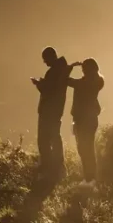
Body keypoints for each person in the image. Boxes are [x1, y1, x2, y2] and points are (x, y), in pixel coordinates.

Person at [31, 47, 72, 179]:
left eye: (45, 59)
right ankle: (58, 167)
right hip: (56, 110)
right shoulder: (62, 70)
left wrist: (38, 84)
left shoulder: (53, 72)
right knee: (55, 138)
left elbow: (48, 90)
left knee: (44, 140)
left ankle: (47, 169)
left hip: (48, 111)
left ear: (51, 57)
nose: (45, 62)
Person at [68, 58, 104, 183]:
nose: (82, 70)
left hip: (83, 120)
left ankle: (90, 178)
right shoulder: (97, 81)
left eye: (84, 68)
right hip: (89, 119)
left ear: (88, 69)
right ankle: (90, 177)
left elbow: (69, 81)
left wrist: (70, 67)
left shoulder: (86, 82)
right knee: (87, 148)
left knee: (84, 148)